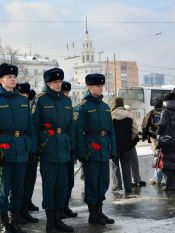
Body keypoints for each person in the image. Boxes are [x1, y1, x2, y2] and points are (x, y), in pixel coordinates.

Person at [0, 63, 33, 233]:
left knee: (19, 189)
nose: (13, 79)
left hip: (21, 150)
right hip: (4, 151)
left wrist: (30, 148)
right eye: (9, 77)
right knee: (3, 190)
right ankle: (5, 222)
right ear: (0, 80)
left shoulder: (22, 100)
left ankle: (14, 220)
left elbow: (30, 128)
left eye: (14, 76)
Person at [32, 68, 74, 232]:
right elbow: (34, 126)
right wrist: (35, 148)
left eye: (60, 82)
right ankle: (50, 221)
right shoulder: (40, 99)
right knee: (50, 185)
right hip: (48, 147)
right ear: (48, 83)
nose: (58, 85)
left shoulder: (66, 100)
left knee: (62, 185)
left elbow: (70, 126)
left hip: (63, 146)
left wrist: (71, 146)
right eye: (54, 82)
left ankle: (58, 218)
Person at [74, 73, 116, 225]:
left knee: (103, 182)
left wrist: (113, 151)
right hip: (91, 149)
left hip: (104, 149)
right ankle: (93, 214)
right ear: (89, 87)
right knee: (92, 182)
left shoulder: (105, 107)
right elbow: (78, 132)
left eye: (101, 85)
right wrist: (82, 152)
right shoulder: (83, 107)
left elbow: (111, 132)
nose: (100, 88)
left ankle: (99, 211)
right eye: (97, 85)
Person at [16, 82, 39, 224]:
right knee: (20, 183)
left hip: (30, 149)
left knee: (30, 180)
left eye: (26, 95)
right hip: (19, 150)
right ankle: (18, 212)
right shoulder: (18, 107)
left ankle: (25, 207)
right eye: (21, 94)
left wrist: (34, 149)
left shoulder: (30, 108)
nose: (24, 97)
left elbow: (33, 131)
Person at [111, 97, 139, 193]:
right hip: (127, 146)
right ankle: (128, 187)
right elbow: (135, 131)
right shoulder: (130, 115)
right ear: (123, 103)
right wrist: (129, 139)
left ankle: (117, 185)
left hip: (115, 146)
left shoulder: (111, 115)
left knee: (115, 165)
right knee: (126, 165)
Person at [157, 93, 175, 191]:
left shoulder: (166, 111)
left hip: (168, 140)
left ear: (166, 101)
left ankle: (169, 186)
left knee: (168, 163)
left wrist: (158, 132)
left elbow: (162, 124)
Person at [61, 81, 78, 218]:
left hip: (69, 149)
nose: (66, 95)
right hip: (59, 149)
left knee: (70, 181)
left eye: (68, 93)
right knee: (61, 181)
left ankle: (65, 206)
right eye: (64, 92)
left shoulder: (70, 107)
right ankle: (59, 208)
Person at [141, 98, 165, 185]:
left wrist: (145, 135)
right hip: (165, 136)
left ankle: (157, 177)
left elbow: (144, 125)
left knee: (158, 156)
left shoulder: (151, 113)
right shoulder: (165, 112)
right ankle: (164, 177)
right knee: (163, 156)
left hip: (154, 137)